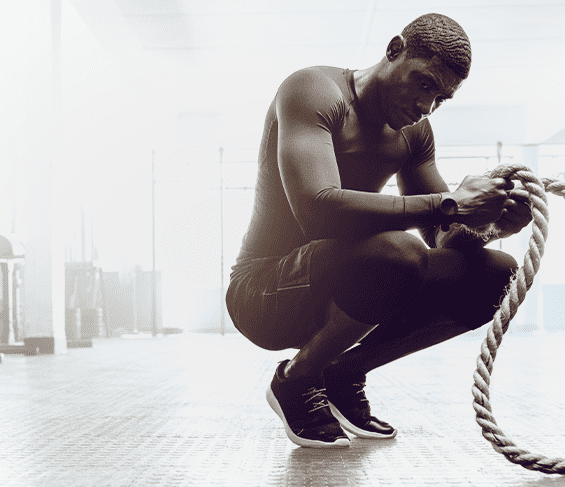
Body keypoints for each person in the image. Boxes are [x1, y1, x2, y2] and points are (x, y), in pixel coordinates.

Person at [226, 13, 532, 449]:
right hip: (262, 295)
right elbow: (318, 211)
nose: (426, 106)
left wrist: (486, 226)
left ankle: (345, 371)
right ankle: (296, 381)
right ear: (394, 50)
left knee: (495, 272)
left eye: (440, 98)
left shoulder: (414, 134)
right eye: (424, 84)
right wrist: (451, 204)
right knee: (398, 252)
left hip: (345, 283)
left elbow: (441, 241)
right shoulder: (313, 91)